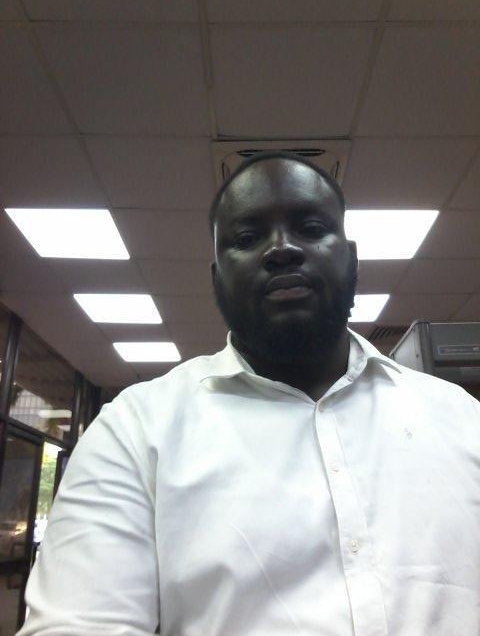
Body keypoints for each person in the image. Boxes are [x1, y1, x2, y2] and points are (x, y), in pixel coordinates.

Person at [17, 152, 480, 635]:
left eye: (311, 228)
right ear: (216, 277)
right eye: (246, 238)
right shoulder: (134, 431)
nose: (282, 249)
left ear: (352, 258)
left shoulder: (460, 417)